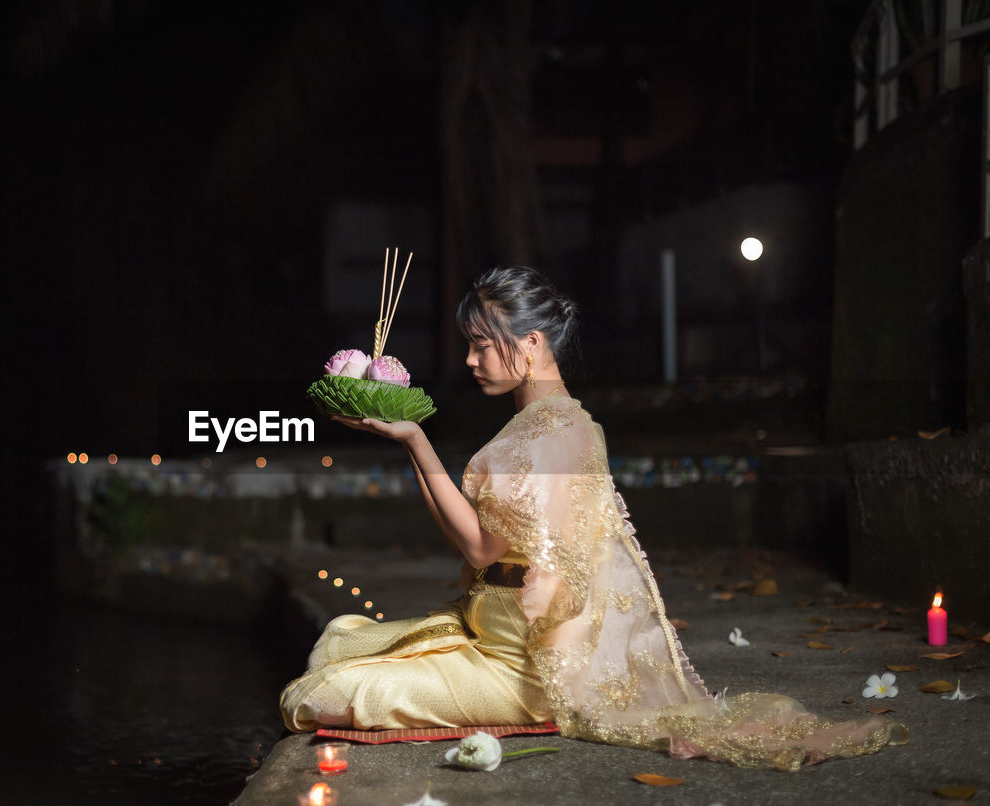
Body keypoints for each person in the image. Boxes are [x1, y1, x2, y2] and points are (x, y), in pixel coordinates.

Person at [280, 266, 907, 771]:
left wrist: (416, 442)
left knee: (318, 696)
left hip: (526, 663)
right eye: (470, 344)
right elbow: (479, 539)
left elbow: (477, 549)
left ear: (531, 344)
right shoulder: (543, 425)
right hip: (488, 631)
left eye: (481, 344)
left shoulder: (559, 436)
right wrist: (413, 443)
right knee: (338, 637)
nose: (471, 360)